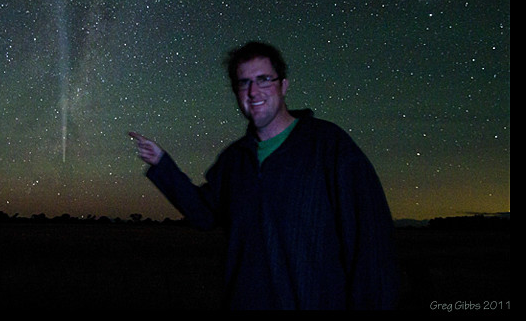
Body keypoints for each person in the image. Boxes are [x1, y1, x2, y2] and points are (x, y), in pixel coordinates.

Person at [130, 41, 399, 310]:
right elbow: (204, 214)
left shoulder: (329, 146)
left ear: (283, 86)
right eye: (243, 82)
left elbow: (371, 242)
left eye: (263, 80)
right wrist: (162, 163)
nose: (253, 91)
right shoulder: (234, 159)